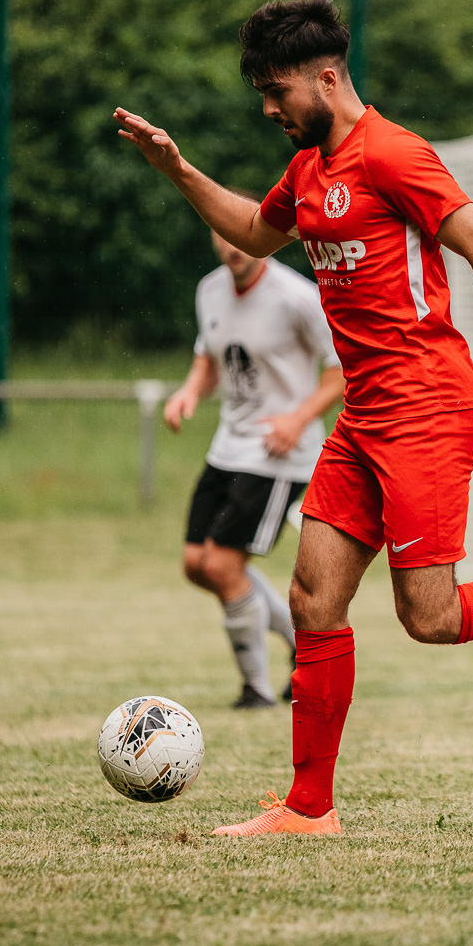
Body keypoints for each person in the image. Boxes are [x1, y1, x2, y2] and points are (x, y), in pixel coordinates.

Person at [114, 0, 473, 837]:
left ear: (325, 79)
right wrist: (177, 170)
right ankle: (309, 808)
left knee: (430, 618)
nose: (268, 109)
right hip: (365, 415)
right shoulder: (308, 171)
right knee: (313, 600)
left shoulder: (393, 154)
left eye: (275, 91)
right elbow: (256, 235)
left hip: (428, 408)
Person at [165, 228, 345, 710]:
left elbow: (341, 371)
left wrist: (297, 419)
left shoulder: (297, 297)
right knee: (196, 565)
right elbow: (208, 359)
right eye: (222, 237)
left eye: (241, 237)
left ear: (266, 239)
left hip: (279, 453)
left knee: (222, 565)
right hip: (228, 446)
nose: (232, 247)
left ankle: (257, 690)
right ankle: (302, 644)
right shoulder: (210, 289)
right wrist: (189, 392)